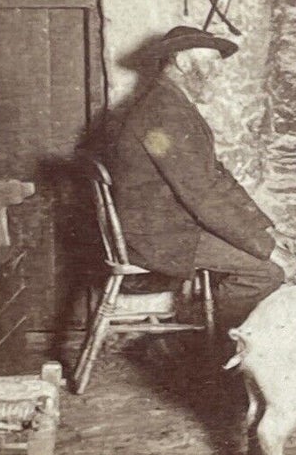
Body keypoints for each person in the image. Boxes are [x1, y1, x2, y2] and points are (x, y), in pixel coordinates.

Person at [104, 25, 284, 327]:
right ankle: (202, 339)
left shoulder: (171, 104)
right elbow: (201, 194)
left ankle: (198, 330)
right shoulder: (163, 113)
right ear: (183, 62)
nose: (217, 72)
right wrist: (265, 247)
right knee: (266, 272)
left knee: (262, 256)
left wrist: (262, 227)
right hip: (157, 236)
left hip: (169, 225)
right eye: (211, 63)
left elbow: (215, 177)